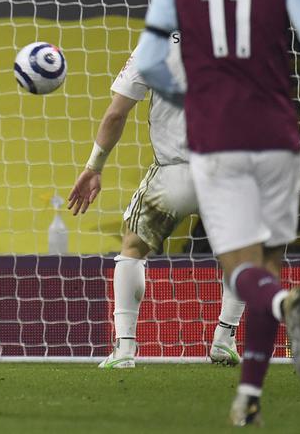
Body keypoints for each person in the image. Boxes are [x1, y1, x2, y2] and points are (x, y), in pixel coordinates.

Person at [135, 0, 300, 426]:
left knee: (241, 268)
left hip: (217, 140)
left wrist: (194, 96)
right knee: (268, 263)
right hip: (279, 138)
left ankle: (282, 307)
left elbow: (151, 64)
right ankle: (250, 395)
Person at [68, 34, 245, 369]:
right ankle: (225, 338)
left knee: (132, 248)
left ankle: (124, 350)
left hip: (172, 173)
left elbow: (115, 115)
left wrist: (94, 167)